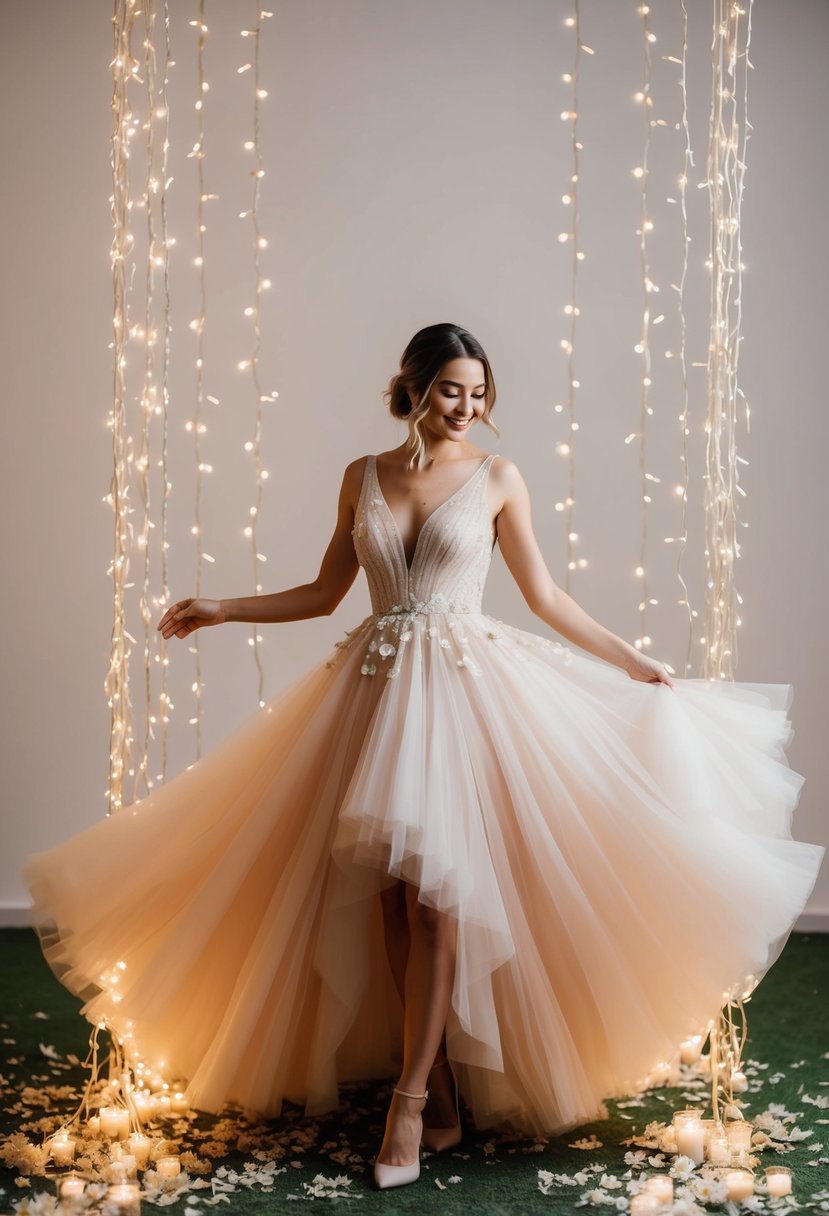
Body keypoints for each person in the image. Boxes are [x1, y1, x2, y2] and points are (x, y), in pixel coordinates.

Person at [25, 323, 824, 1193]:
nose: (468, 408)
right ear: (412, 387)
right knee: (392, 904)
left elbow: (543, 593)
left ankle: (407, 1102)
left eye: (480, 394)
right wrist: (224, 607)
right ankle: (434, 1075)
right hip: (371, 698)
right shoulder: (360, 476)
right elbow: (326, 592)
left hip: (461, 698)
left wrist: (631, 661)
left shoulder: (496, 478)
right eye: (452, 390)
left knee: (441, 901)